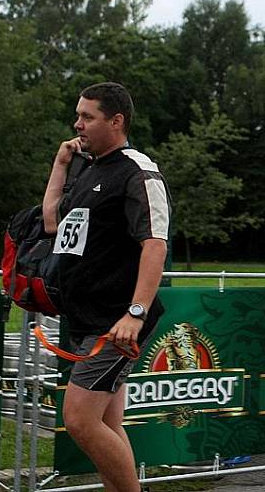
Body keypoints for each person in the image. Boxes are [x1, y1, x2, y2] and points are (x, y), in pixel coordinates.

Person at [42, 82, 170, 492]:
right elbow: (51, 224)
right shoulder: (90, 169)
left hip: (115, 325)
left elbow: (155, 243)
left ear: (116, 122)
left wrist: (136, 313)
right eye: (78, 115)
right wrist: (60, 165)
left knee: (79, 420)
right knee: (107, 424)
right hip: (85, 319)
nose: (76, 124)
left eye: (87, 116)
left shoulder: (138, 169)